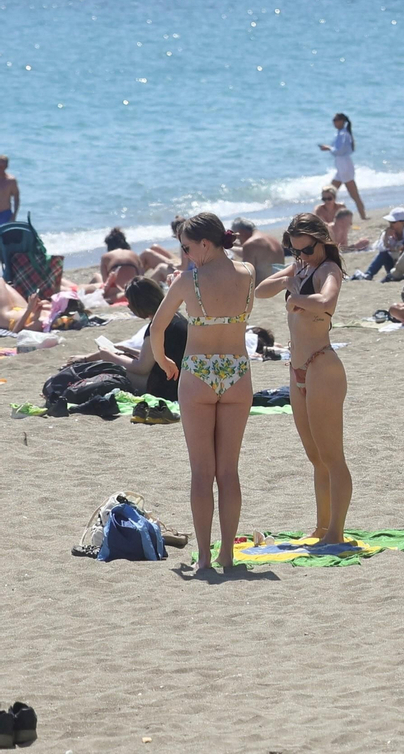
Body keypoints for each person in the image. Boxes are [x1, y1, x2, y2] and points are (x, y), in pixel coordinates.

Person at [147, 213, 256, 573]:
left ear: (205, 244)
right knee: (229, 471)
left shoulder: (188, 280)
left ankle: (205, 558)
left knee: (201, 472)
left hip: (198, 372)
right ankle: (228, 553)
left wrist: (164, 361)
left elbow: (157, 327)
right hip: (237, 372)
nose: (186, 254)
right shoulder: (247, 273)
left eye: (188, 247)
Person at [255, 214, 352, 546]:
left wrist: (296, 297)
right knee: (315, 456)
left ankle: (336, 531)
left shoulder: (328, 270)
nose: (302, 256)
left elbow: (327, 301)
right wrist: (287, 282)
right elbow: (260, 291)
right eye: (295, 251)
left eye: (307, 249)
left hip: (322, 367)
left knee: (332, 456)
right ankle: (322, 526)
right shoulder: (301, 268)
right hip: (298, 370)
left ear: (322, 240)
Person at [63, 276, 187, 402]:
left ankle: (69, 388)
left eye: (129, 302)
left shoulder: (156, 326)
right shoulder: (175, 317)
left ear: (138, 303)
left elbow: (142, 368)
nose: (128, 306)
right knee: (115, 362)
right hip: (180, 382)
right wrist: (129, 351)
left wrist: (110, 357)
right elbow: (160, 355)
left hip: (165, 387)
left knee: (109, 368)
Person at [318, 112, 366, 219]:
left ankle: (363, 216)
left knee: (353, 194)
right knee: (329, 192)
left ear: (341, 121)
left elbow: (340, 150)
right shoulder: (340, 133)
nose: (334, 123)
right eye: (333, 121)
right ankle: (326, 216)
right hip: (341, 166)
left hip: (345, 166)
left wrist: (329, 148)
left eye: (335, 121)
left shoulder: (344, 134)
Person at [353, 208, 404, 282]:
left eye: (393, 222)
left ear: (403, 222)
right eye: (390, 222)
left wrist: (397, 248)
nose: (390, 224)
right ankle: (369, 274)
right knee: (383, 254)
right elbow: (381, 249)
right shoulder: (388, 233)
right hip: (393, 266)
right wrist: (386, 238)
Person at [0, 154, 16, 224]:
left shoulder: (11, 181)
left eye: (3, 166)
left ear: (7, 166)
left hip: (5, 213)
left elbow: (16, 198)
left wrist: (14, 215)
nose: (1, 169)